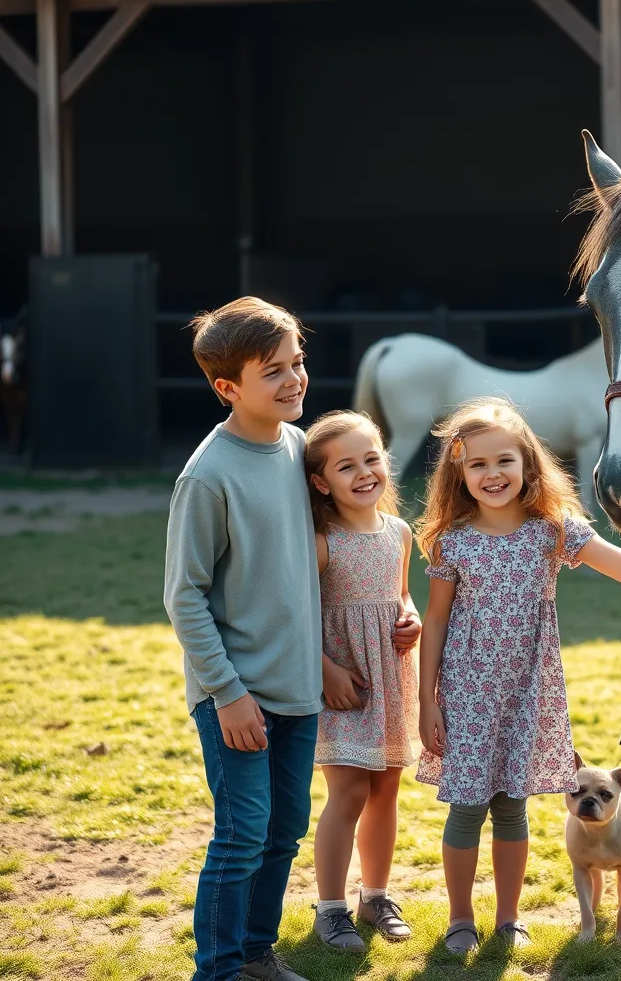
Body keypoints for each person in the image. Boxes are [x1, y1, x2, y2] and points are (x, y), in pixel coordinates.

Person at [415, 397, 621, 953]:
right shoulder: (453, 539)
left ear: (528, 464)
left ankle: (508, 918)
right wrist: (427, 700)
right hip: (466, 696)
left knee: (513, 809)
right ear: (459, 473)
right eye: (478, 465)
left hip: (527, 696)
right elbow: (436, 618)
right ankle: (461, 920)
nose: (492, 474)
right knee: (467, 810)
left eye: (504, 461)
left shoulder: (553, 530)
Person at [163, 297, 321, 981]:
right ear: (228, 387)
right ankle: (218, 970)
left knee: (284, 832)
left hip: (299, 689)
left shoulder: (296, 447)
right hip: (236, 697)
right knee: (240, 838)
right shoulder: (207, 476)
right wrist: (227, 694)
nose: (294, 381)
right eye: (274, 372)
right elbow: (184, 595)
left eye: (298, 363)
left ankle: (257, 952)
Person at [303, 411, 421, 952]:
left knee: (385, 790)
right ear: (322, 483)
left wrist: (411, 619)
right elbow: (298, 614)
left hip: (391, 677)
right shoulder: (322, 541)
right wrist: (326, 670)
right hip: (343, 681)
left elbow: (402, 596)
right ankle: (330, 909)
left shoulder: (399, 532)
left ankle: (375, 897)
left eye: (371, 459)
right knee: (347, 791)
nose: (364, 472)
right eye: (346, 466)